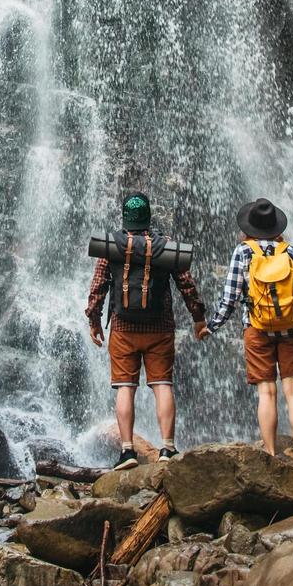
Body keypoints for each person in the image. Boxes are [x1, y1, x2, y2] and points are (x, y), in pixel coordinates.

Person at [86, 191, 210, 470]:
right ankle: (168, 447)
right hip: (160, 327)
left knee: (125, 388)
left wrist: (94, 320)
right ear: (148, 217)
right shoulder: (164, 247)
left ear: (125, 218)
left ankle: (127, 451)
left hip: (122, 327)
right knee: (162, 385)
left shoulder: (112, 246)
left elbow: (98, 286)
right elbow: (186, 285)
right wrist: (198, 318)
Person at [206, 197, 293, 461]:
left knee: (266, 392)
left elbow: (230, 297)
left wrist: (212, 326)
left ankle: (269, 453)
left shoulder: (243, 252)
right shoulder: (291, 253)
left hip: (257, 330)